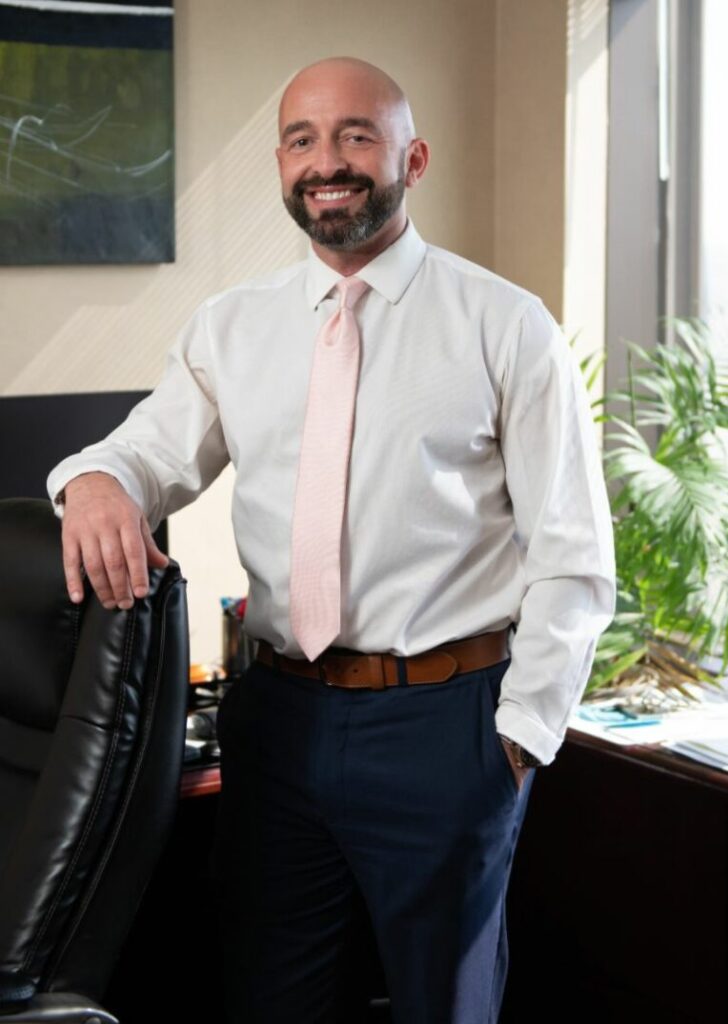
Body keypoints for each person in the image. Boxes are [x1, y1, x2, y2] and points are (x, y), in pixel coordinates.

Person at [47, 56, 616, 1024]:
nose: (328, 161)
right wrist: (96, 480)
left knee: (445, 1002)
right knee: (271, 995)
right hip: (278, 720)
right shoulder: (232, 327)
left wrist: (518, 739)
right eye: (304, 139)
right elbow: (147, 453)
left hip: (446, 724)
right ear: (280, 162)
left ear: (413, 157)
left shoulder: (505, 325)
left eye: (357, 134)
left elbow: (574, 556)